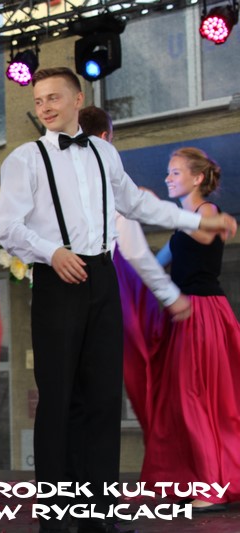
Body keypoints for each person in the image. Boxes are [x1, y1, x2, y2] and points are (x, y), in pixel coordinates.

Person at [0, 68, 237, 533]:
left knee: (103, 398)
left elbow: (138, 204)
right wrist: (52, 252)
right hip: (57, 278)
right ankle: (55, 518)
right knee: (58, 400)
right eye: (39, 100)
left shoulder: (104, 151)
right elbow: (9, 227)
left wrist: (197, 222)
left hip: (103, 278)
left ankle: (99, 514)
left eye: (53, 98)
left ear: (77, 98)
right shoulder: (24, 159)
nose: (45, 107)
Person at [78, 106, 191, 435]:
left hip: (72, 296)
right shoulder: (111, 185)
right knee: (144, 370)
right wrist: (170, 295)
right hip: (113, 295)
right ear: (105, 138)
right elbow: (135, 252)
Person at [138, 147, 240, 511]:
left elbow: (204, 235)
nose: (167, 178)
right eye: (168, 172)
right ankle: (192, 479)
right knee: (181, 400)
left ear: (197, 179)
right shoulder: (183, 224)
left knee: (196, 396)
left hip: (204, 312)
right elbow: (153, 265)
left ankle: (213, 485)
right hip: (184, 315)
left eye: (175, 172)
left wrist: (157, 209)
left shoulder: (206, 212)